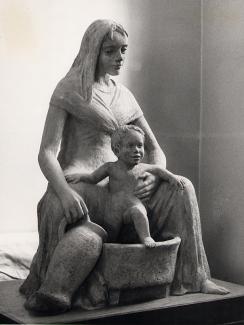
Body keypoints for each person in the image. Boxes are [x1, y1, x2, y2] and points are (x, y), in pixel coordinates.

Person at [20, 19, 229, 314]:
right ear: (93, 51)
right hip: (84, 183)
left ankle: (195, 277)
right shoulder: (69, 89)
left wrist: (153, 178)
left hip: (123, 183)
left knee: (182, 188)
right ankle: (59, 289)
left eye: (123, 51)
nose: (119, 57)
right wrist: (64, 192)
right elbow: (46, 153)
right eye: (110, 51)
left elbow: (155, 150)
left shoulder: (124, 96)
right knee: (84, 230)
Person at [66, 124, 185, 248]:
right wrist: (79, 176)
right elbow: (93, 178)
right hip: (114, 208)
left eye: (140, 145)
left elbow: (159, 170)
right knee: (110, 231)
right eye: (130, 146)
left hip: (133, 206)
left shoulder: (142, 168)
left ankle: (146, 237)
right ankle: (107, 242)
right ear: (117, 150)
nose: (137, 150)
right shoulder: (110, 167)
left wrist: (172, 178)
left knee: (138, 212)